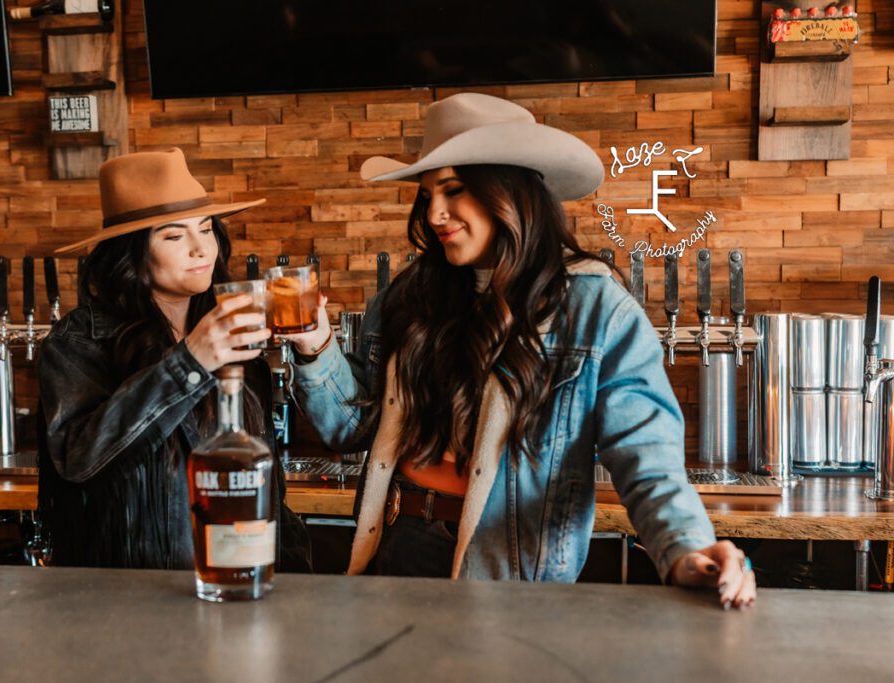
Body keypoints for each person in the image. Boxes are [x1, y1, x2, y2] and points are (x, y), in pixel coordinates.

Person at [282, 93, 755, 609]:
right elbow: (351, 428)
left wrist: (687, 547)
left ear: (508, 190)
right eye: (427, 195)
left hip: (505, 575)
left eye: (454, 190)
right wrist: (316, 346)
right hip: (394, 550)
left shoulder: (596, 306)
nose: (435, 213)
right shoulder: (410, 295)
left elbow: (646, 456)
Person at [37, 148, 311, 571]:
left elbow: (267, 480)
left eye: (206, 229)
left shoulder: (229, 325)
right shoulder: (79, 339)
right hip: (131, 596)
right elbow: (80, 460)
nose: (202, 249)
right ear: (131, 253)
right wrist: (190, 362)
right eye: (174, 235)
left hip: (237, 580)